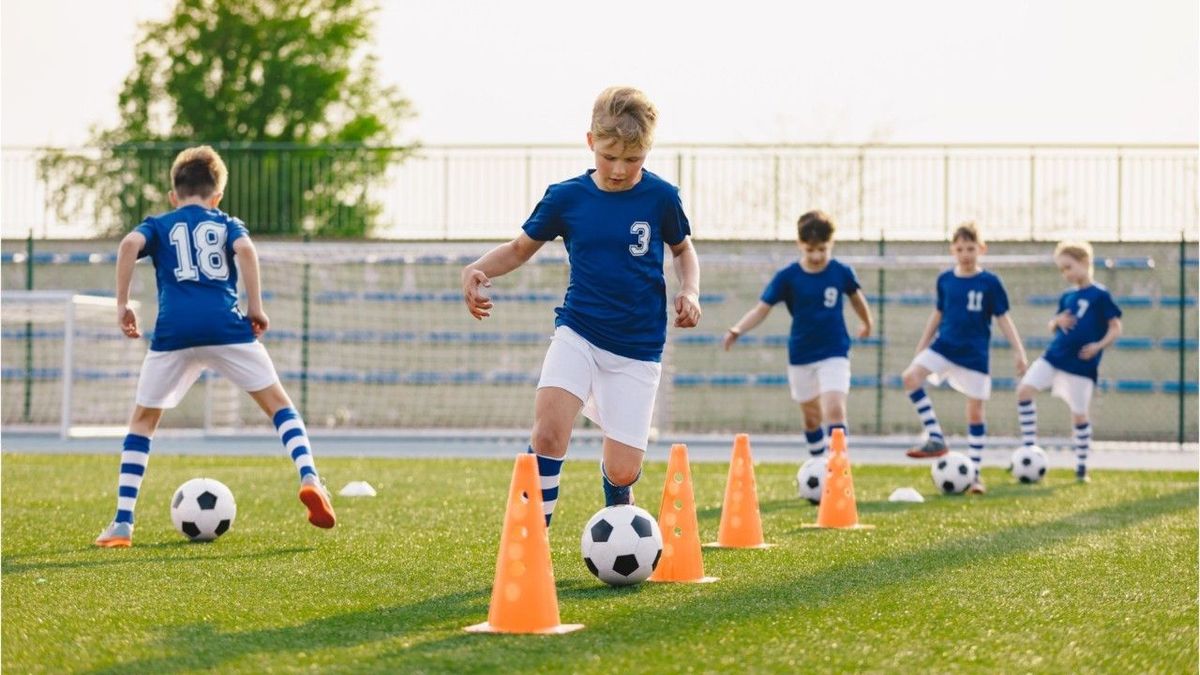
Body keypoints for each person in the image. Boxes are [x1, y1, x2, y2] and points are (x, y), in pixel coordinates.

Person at [460, 86, 700, 527]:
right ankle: (531, 542)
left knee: (623, 467)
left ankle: (619, 499)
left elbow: (684, 250)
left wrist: (690, 290)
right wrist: (477, 269)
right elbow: (518, 248)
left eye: (633, 160)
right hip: (579, 332)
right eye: (610, 157)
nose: (620, 170)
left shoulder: (662, 197)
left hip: (638, 347)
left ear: (647, 151)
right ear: (591, 142)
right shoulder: (566, 197)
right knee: (549, 429)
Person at [94, 146, 335, 547]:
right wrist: (255, 306)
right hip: (227, 328)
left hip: (174, 334)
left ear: (174, 194)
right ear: (217, 195)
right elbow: (246, 250)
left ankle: (122, 523)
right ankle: (309, 476)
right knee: (280, 407)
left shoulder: (159, 223)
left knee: (142, 423)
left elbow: (126, 246)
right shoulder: (227, 224)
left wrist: (123, 306)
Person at [722, 210, 872, 461]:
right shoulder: (788, 277)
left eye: (822, 249)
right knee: (812, 417)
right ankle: (816, 463)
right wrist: (738, 328)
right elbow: (762, 309)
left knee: (834, 407)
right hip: (801, 354)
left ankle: (838, 470)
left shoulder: (841, 272)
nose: (816, 256)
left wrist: (867, 323)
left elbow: (858, 300)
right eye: (810, 250)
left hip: (835, 351)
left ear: (831, 244)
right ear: (800, 245)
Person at [900, 223, 1028, 493]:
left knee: (975, 411)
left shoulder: (990, 283)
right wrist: (923, 345)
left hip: (974, 355)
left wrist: (1019, 351)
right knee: (911, 377)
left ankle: (975, 475)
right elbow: (938, 314)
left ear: (981, 249)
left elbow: (1003, 318)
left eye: (971, 248)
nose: (965, 254)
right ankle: (936, 437)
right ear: (952, 250)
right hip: (944, 346)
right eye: (960, 249)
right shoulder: (945, 280)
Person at [1015, 240, 1122, 483]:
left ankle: (1082, 467)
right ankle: (1030, 451)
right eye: (1062, 269)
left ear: (1084, 263)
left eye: (1068, 267)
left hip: (1081, 365)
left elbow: (1116, 327)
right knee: (1024, 391)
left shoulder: (1100, 295)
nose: (1065, 273)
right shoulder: (1067, 296)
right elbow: (1055, 323)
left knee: (1079, 415)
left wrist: (1097, 345)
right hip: (1054, 356)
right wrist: (1056, 322)